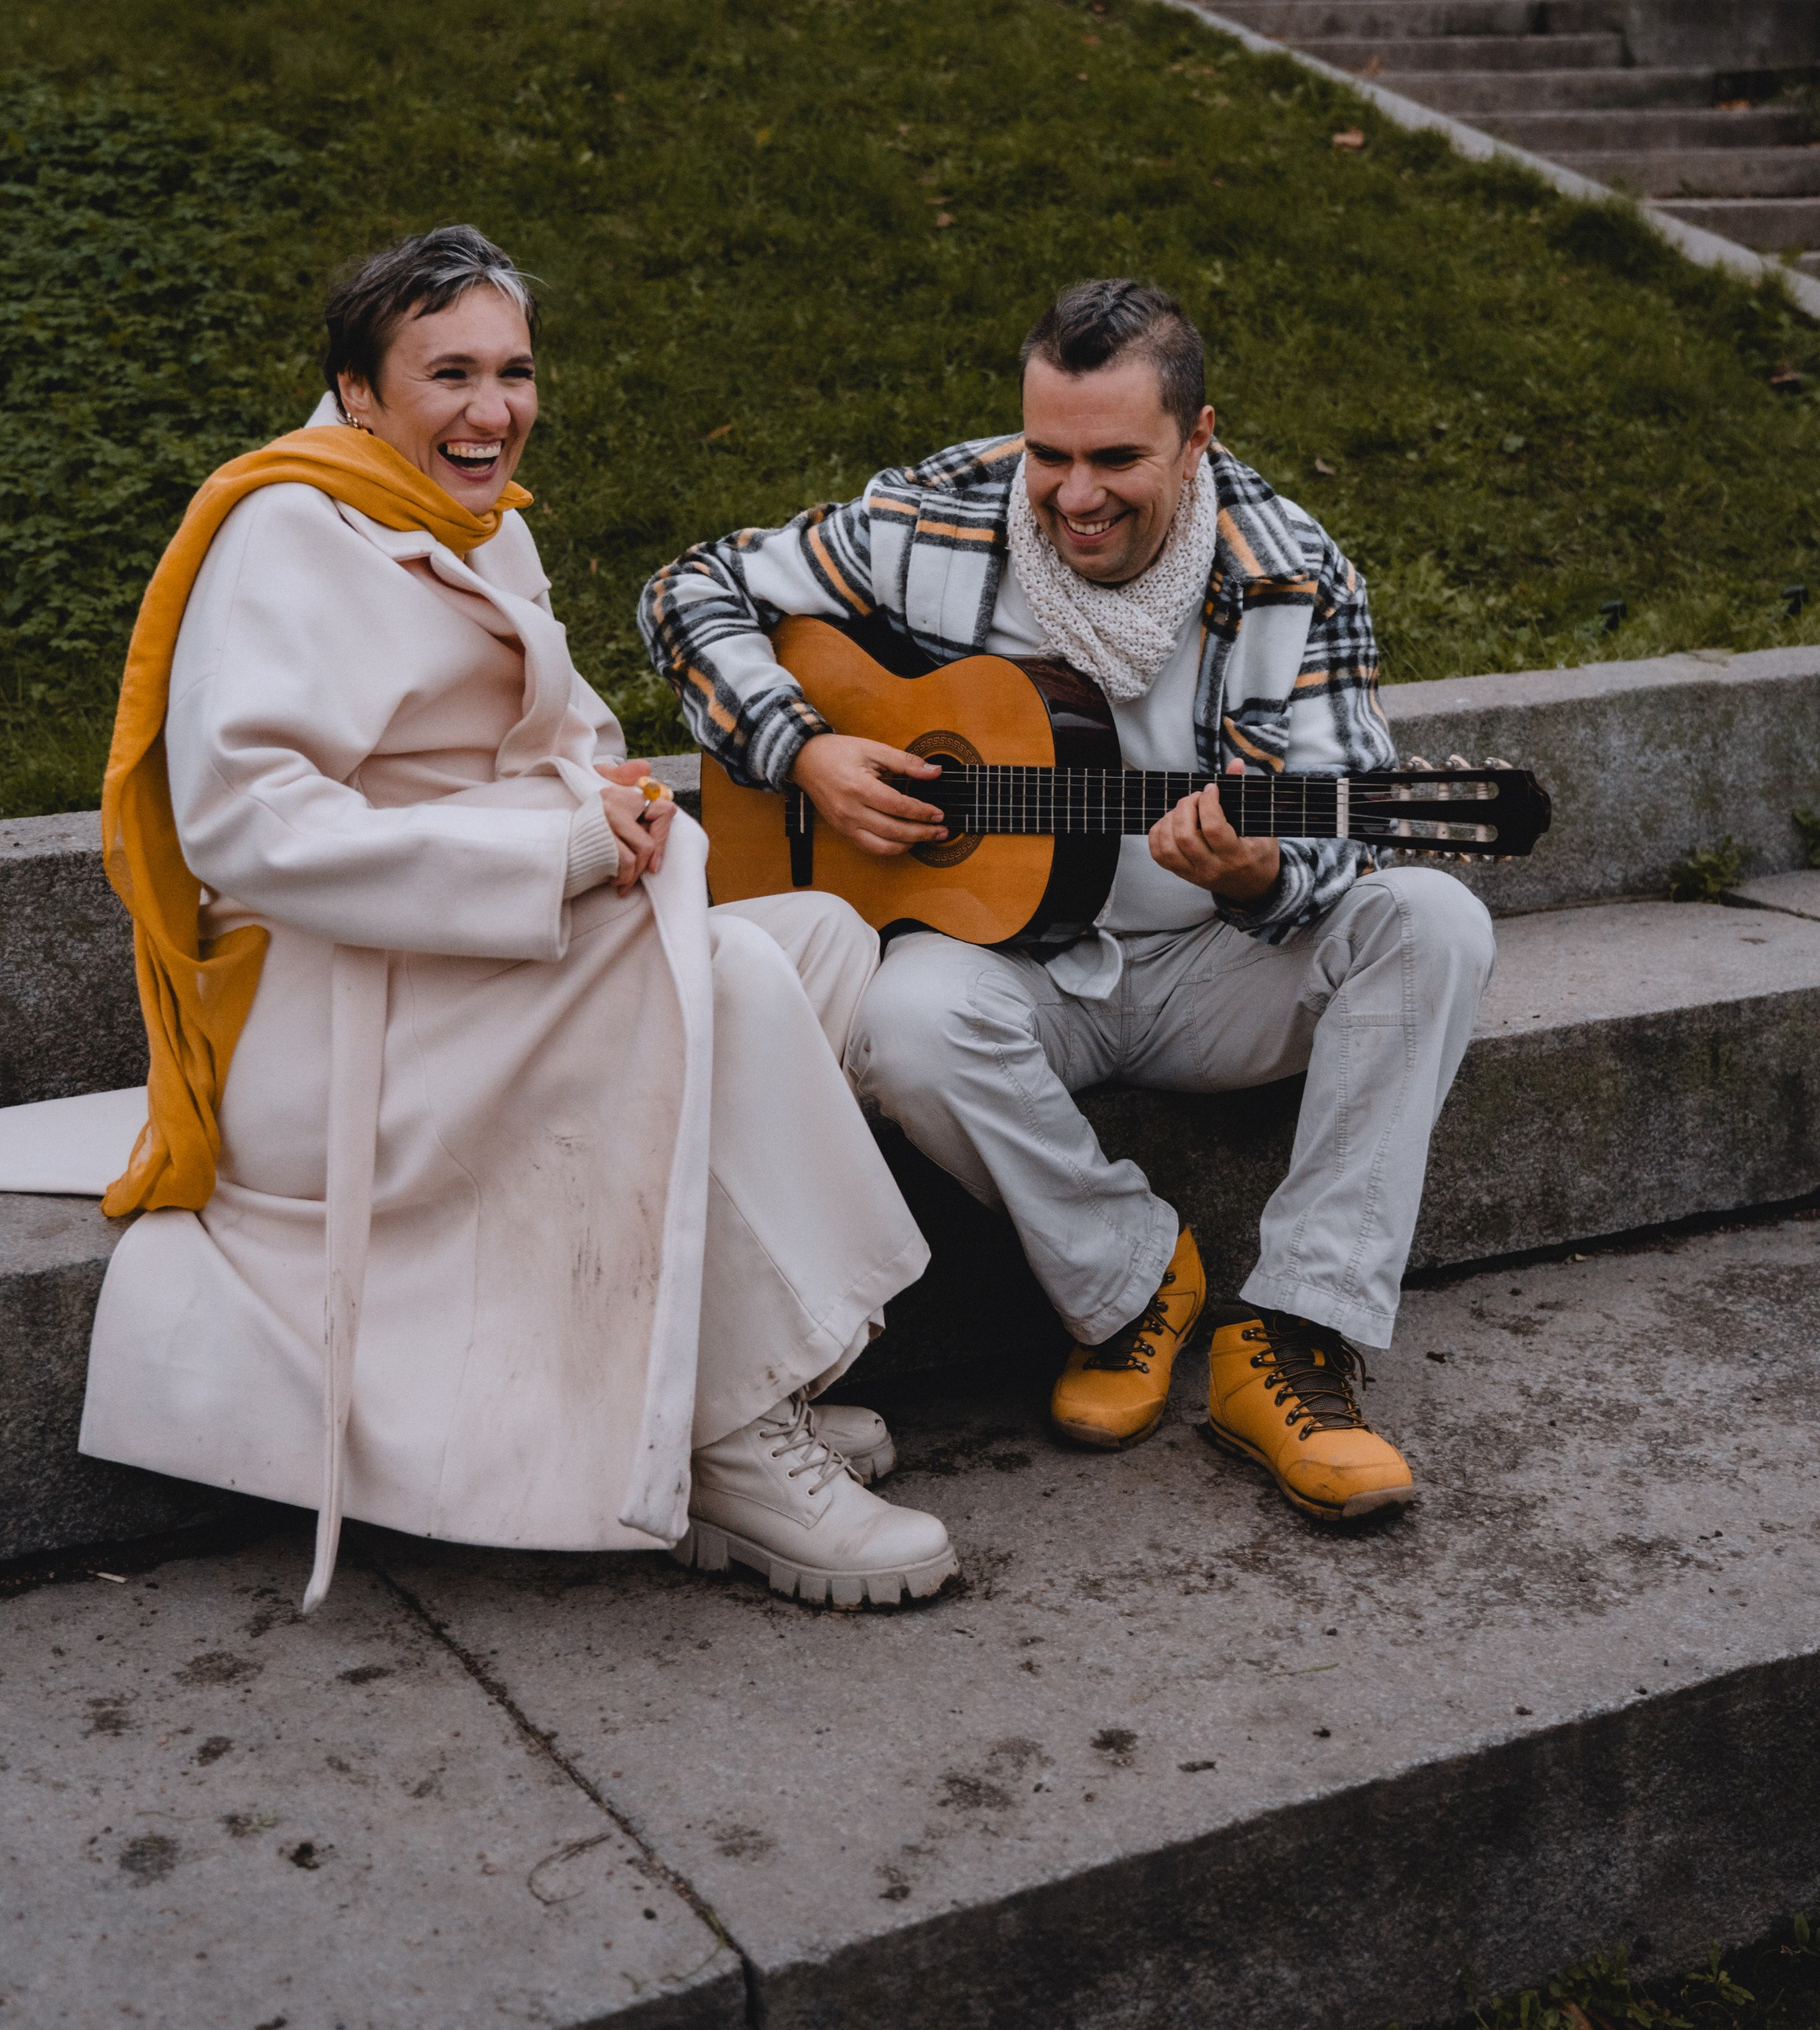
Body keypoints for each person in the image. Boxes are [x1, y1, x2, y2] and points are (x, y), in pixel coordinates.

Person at [75, 225, 957, 1614]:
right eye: (450, 375)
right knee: (716, 969)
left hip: (463, 970)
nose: (493, 412)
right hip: (341, 1008)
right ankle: (731, 1446)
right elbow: (247, 827)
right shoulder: (287, 531)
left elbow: (553, 733)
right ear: (359, 391)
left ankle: (707, 1376)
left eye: (515, 371)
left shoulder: (472, 517)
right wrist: (550, 851)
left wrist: (608, 796)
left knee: (826, 946)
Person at [641, 277, 1495, 1522]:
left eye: (1115, 459)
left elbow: (1341, 806)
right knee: (905, 1020)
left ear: (1198, 440)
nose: (1074, 496)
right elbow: (687, 591)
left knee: (1433, 923)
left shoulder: (1291, 571)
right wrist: (806, 749)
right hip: (1021, 973)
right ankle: (1137, 1282)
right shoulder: (940, 515)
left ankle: (1298, 1340)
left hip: (1216, 965)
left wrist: (1260, 867)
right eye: (1049, 454)